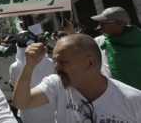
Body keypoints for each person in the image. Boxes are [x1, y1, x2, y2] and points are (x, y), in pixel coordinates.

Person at [13, 34, 141, 123]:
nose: (56, 67)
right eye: (55, 61)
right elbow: (21, 103)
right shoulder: (57, 84)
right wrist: (29, 66)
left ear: (90, 63)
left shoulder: (133, 100)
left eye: (63, 62)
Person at [9, 31, 55, 123]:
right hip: (50, 108)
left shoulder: (15, 67)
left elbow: (16, 88)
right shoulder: (50, 62)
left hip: (27, 107)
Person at [91, 6, 141, 90]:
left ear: (119, 23)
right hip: (117, 95)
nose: (99, 26)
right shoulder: (100, 41)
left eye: (104, 22)